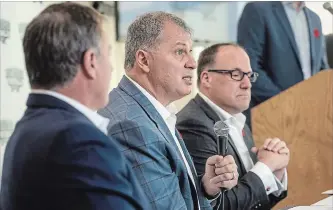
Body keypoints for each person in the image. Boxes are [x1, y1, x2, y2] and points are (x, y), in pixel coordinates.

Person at [0, 3, 148, 210]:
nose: (112, 66)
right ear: (91, 62)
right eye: (107, 53)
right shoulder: (79, 140)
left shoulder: (29, 128)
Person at [98, 12, 238, 210]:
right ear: (144, 61)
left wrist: (206, 188)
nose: (192, 62)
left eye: (190, 51)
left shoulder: (150, 110)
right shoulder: (131, 126)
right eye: (180, 52)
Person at [176, 43, 290, 210]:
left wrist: (275, 172)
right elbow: (220, 206)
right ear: (207, 78)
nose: (247, 84)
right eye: (236, 74)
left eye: (249, 76)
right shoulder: (193, 124)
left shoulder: (236, 119)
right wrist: (266, 166)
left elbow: (255, 203)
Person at [237, 1, 329, 129]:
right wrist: (286, 102)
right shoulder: (257, 10)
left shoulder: (315, 18)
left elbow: (321, 68)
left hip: (309, 118)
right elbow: (249, 66)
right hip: (270, 116)